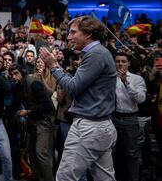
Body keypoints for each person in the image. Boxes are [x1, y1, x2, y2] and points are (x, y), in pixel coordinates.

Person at [39, 16, 117, 181]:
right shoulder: (99, 53)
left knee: (65, 177)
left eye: (73, 32)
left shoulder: (95, 54)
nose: (68, 37)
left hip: (89, 128)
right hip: (99, 126)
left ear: (88, 34)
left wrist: (53, 65)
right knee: (104, 178)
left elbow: (73, 87)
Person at [8, 64, 56, 181]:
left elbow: (48, 106)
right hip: (32, 122)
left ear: (22, 72)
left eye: (16, 73)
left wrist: (28, 111)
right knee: (31, 152)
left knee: (41, 154)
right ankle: (35, 177)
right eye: (12, 75)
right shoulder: (19, 85)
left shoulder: (34, 83)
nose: (14, 77)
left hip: (43, 121)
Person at [113, 52, 146, 181]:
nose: (120, 64)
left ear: (128, 63)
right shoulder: (110, 78)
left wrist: (126, 82)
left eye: (123, 61)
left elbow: (141, 99)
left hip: (130, 119)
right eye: (117, 61)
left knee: (132, 153)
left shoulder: (137, 79)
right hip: (113, 118)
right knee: (112, 152)